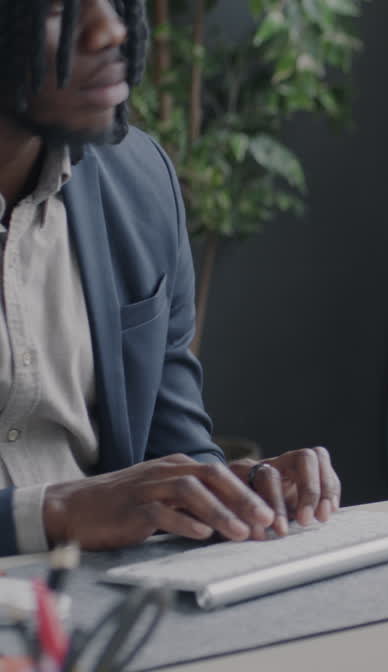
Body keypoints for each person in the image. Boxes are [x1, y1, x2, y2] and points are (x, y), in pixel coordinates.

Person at [0, 0, 341, 554]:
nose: (110, 30)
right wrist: (51, 511)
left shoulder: (140, 183)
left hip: (107, 605)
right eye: (59, 9)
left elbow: (171, 446)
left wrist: (233, 492)